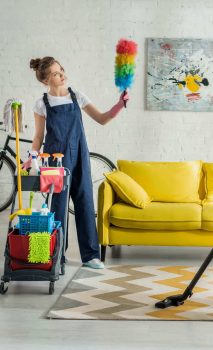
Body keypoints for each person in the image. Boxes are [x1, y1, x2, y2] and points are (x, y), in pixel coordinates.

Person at [24, 56, 129, 269]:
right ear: (46, 80)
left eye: (61, 70)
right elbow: (38, 136)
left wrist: (119, 105)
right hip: (53, 160)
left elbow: (102, 118)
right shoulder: (41, 104)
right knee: (58, 206)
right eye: (55, 73)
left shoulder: (77, 97)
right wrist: (32, 157)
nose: (62, 75)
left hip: (79, 155)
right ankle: (56, 256)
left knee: (84, 201)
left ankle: (90, 256)